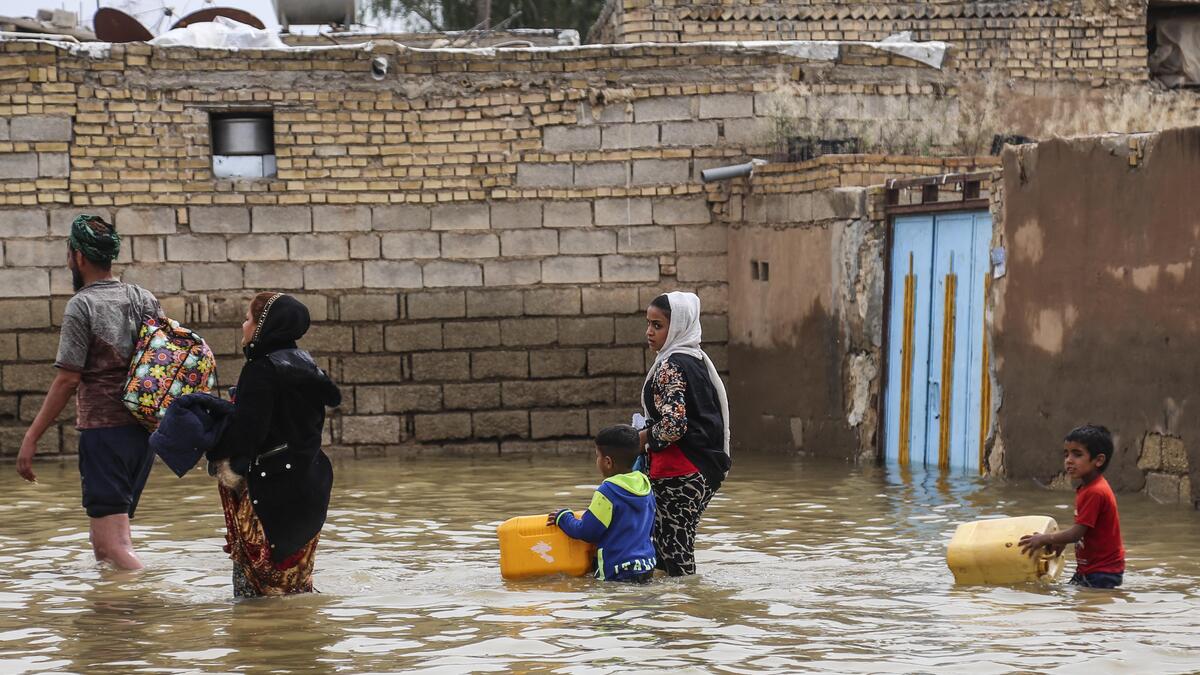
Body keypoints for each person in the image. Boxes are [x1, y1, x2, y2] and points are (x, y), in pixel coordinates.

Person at [17, 214, 162, 570]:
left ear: (77, 257)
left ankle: (151, 600)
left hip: (104, 433)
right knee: (107, 545)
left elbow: (67, 379)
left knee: (113, 546)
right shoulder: (143, 298)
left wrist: (32, 437)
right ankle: (114, 617)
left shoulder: (82, 305)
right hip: (142, 435)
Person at [207, 292, 341, 597]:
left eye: (248, 319)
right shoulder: (307, 364)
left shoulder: (261, 370)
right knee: (295, 588)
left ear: (263, 326)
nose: (243, 326)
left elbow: (248, 435)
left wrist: (216, 446)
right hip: (309, 488)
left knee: (255, 599)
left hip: (270, 494)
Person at [639, 291, 731, 576]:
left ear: (678, 326)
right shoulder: (696, 360)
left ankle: (685, 612)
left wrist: (639, 439)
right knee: (672, 545)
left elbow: (674, 426)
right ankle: (681, 611)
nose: (649, 332)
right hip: (702, 466)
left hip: (680, 470)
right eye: (649, 324)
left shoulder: (671, 365)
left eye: (658, 325)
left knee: (673, 550)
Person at [1019, 424, 1125, 589]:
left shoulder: (1096, 492)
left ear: (1098, 460)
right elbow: (1084, 528)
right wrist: (1062, 540)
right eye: (1066, 454)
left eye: (1077, 454)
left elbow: (1076, 533)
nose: (1069, 460)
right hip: (1091, 569)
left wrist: (1044, 538)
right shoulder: (1087, 487)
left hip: (1101, 573)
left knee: (1086, 611)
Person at [549, 425, 657, 583]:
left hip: (617, 572)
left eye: (597, 456)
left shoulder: (608, 491)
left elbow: (587, 531)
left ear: (607, 462)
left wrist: (563, 517)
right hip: (647, 566)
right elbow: (651, 528)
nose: (596, 460)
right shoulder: (645, 484)